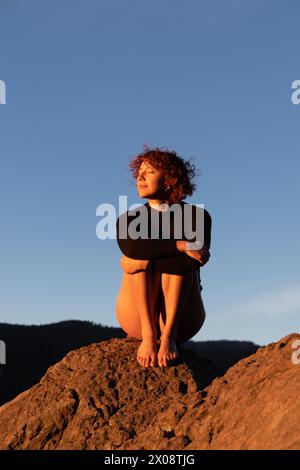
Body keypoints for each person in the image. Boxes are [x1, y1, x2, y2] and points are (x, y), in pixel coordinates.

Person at [115, 145, 212, 368]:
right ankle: (149, 337)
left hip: (184, 319)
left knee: (163, 266)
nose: (140, 176)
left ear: (170, 179)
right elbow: (133, 249)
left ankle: (168, 336)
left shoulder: (197, 216)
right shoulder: (129, 219)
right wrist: (179, 245)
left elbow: (193, 260)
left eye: (148, 172)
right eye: (139, 172)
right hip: (136, 319)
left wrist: (140, 259)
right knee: (138, 264)